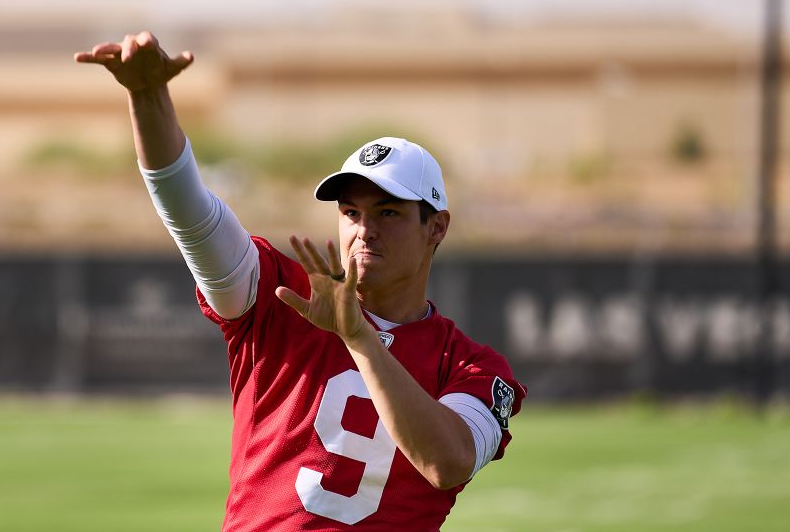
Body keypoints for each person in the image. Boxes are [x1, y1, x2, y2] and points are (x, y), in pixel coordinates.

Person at [77, 31, 525, 531]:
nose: (364, 229)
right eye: (351, 211)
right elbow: (193, 218)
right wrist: (147, 98)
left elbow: (446, 463)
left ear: (436, 228)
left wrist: (359, 337)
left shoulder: (471, 367)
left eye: (389, 212)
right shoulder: (283, 295)